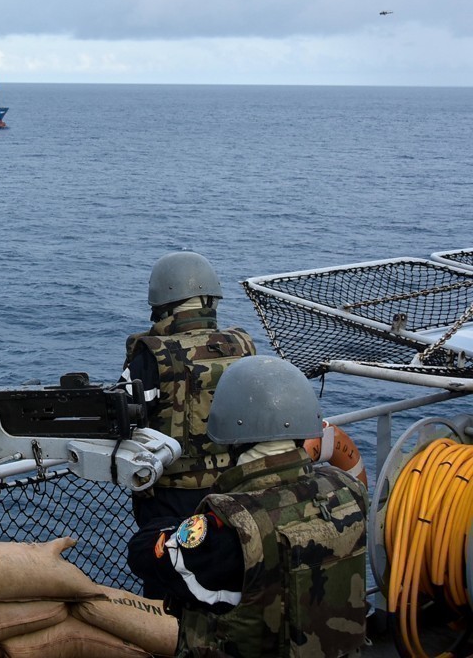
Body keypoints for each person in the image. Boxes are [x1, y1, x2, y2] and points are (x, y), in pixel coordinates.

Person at [127, 355, 368, 658]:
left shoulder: (232, 527)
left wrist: (170, 526)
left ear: (229, 431)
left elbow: (143, 555)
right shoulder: (349, 490)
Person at [121, 251, 257, 597]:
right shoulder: (242, 345)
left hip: (171, 498)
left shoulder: (152, 355)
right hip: (237, 490)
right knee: (233, 576)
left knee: (170, 580)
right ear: (211, 299)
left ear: (162, 302)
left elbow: (122, 420)